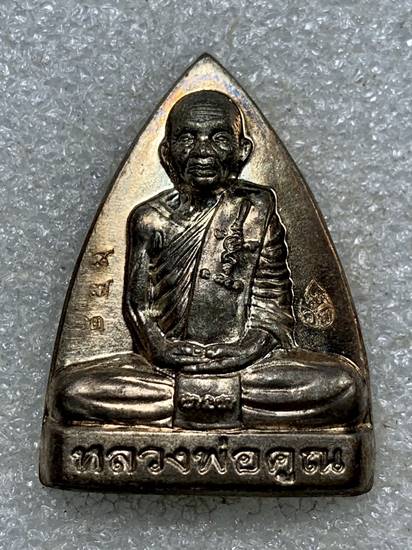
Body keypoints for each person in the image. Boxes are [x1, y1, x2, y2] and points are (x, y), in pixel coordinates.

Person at [50, 91, 366, 428]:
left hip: (248, 370)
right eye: (187, 138)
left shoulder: (256, 208)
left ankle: (192, 406)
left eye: (219, 138)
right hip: (165, 372)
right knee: (72, 391)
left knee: (344, 387)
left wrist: (246, 350)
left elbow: (273, 305)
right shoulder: (150, 218)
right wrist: (160, 349)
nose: (202, 150)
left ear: (242, 151)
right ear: (167, 153)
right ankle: (221, 405)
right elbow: (138, 307)